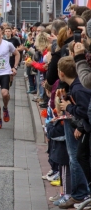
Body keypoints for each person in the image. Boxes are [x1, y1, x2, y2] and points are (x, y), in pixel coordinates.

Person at [56, 56, 91, 209]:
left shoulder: (78, 88)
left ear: (61, 73)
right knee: (78, 156)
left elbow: (84, 110)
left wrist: (69, 107)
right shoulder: (75, 87)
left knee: (78, 157)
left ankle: (80, 193)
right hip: (84, 126)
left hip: (85, 127)